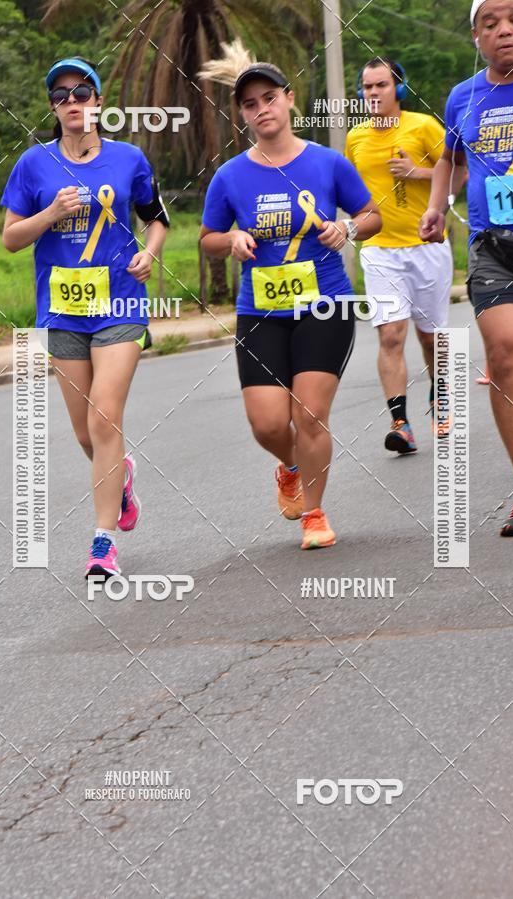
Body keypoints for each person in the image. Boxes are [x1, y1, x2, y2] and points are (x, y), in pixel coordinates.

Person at [199, 44, 381, 549]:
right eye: (251, 103)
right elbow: (208, 238)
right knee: (267, 423)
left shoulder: (328, 163)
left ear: (289, 100)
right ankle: (290, 466)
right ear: (243, 114)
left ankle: (316, 514)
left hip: (325, 304)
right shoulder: (230, 176)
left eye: (269, 97)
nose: (262, 108)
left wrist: (348, 228)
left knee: (309, 414)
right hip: (261, 310)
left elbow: (372, 216)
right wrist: (231, 240)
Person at [1, 56, 169, 574]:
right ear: (53, 107)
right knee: (85, 433)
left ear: (99, 101)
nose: (72, 102)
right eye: (61, 95)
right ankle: (122, 477)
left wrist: (150, 252)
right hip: (62, 313)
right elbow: (10, 238)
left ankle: (103, 543)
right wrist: (49, 214)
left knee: (103, 416)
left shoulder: (129, 159)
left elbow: (156, 218)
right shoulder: (33, 164)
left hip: (119, 304)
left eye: (81, 92)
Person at [420, 0, 513, 536]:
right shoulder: (463, 97)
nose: (504, 30)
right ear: (475, 35)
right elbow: (451, 156)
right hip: (496, 248)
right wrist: (434, 204)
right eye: (489, 23)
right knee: (504, 352)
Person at [346, 57, 455, 455]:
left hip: (427, 246)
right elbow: (353, 193)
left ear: (399, 89)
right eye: (367, 86)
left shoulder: (424, 126)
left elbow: (460, 171)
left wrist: (419, 174)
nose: (373, 93)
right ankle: (400, 423)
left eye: (381, 86)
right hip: (380, 251)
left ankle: (440, 400)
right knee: (390, 335)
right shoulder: (355, 138)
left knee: (432, 338)